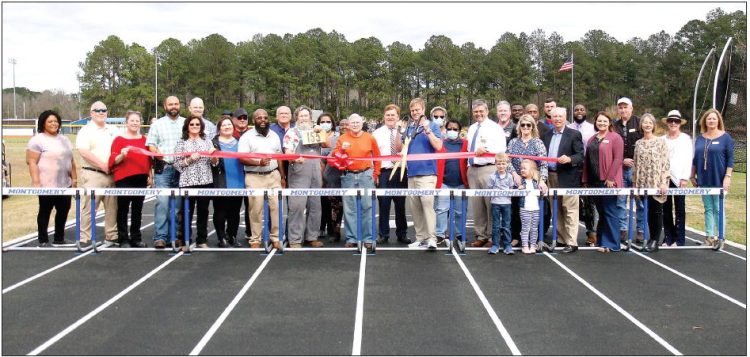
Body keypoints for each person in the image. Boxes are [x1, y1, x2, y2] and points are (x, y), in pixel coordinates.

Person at [26, 110, 77, 247]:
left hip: (64, 184)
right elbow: (31, 162)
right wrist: (36, 182)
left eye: (56, 121)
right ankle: (43, 240)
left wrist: (74, 179)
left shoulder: (65, 139)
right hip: (46, 184)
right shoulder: (37, 140)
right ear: (43, 123)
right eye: (50, 121)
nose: (54, 124)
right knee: (45, 211)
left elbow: (71, 160)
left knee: (63, 211)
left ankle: (59, 238)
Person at [238, 109, 285, 250]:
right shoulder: (246, 137)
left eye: (265, 117)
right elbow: (241, 158)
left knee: (277, 207)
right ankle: (255, 239)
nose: (263, 120)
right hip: (254, 177)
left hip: (273, 176)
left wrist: (282, 176)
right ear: (254, 121)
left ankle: (276, 238)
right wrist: (258, 162)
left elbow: (279, 158)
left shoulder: (275, 135)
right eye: (259, 118)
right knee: (255, 209)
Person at [334, 113, 381, 250]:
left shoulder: (370, 138)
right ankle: (352, 238)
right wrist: (342, 149)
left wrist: (375, 174)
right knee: (350, 208)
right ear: (348, 124)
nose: (355, 125)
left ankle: (368, 238)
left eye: (357, 122)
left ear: (362, 123)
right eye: (352, 122)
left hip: (365, 175)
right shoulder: (342, 138)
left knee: (367, 207)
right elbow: (335, 157)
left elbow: (377, 157)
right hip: (348, 175)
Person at [76, 101, 119, 248]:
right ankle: (85, 237)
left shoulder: (114, 129)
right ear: (91, 113)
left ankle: (112, 236)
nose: (101, 113)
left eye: (104, 110)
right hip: (93, 173)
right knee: (89, 207)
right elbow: (84, 152)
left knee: (112, 207)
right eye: (97, 110)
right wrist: (102, 165)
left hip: (112, 174)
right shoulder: (85, 130)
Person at [146, 95, 186, 249]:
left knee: (177, 206)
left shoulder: (185, 123)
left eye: (176, 103)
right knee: (162, 203)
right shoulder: (157, 125)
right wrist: (158, 154)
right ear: (165, 106)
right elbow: (151, 145)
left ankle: (174, 236)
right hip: (164, 169)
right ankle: (160, 237)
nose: (174, 106)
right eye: (171, 104)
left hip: (181, 169)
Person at [283, 105, 325, 248]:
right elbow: (288, 152)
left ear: (310, 118)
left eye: (306, 116)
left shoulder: (316, 131)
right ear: (297, 118)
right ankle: (294, 239)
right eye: (301, 116)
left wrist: (322, 131)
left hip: (315, 172)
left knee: (315, 206)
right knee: (297, 206)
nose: (304, 118)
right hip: (299, 172)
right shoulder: (291, 133)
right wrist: (295, 159)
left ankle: (312, 236)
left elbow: (326, 144)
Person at [403, 98, 443, 250]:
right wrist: (401, 131)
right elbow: (403, 147)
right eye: (412, 110)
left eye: (417, 110)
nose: (414, 112)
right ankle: (420, 238)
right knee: (415, 208)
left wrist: (428, 130)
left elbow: (438, 146)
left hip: (427, 172)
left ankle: (431, 238)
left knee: (427, 205)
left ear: (423, 110)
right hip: (411, 173)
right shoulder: (410, 127)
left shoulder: (432, 125)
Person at [543, 107, 583, 253]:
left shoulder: (574, 134)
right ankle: (561, 239)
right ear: (551, 118)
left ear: (565, 117)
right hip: (551, 176)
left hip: (567, 177)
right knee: (556, 210)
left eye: (560, 116)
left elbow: (580, 156)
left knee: (570, 210)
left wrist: (569, 159)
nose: (557, 119)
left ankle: (572, 242)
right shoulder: (547, 135)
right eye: (555, 117)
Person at [174, 115, 218, 249]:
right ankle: (184, 239)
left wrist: (214, 156)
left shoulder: (207, 142)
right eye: (192, 124)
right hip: (188, 182)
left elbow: (214, 164)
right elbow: (176, 164)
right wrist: (189, 159)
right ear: (187, 126)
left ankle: (201, 240)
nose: (194, 127)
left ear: (201, 127)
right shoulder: (181, 142)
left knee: (203, 212)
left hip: (205, 181)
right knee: (186, 211)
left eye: (197, 124)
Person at [109, 110, 151, 248]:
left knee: (137, 210)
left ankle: (136, 238)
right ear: (126, 122)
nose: (134, 123)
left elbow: (148, 160)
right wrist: (122, 155)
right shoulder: (119, 140)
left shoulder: (145, 140)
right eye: (132, 120)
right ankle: (123, 239)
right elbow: (113, 160)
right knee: (123, 209)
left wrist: (150, 175)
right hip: (124, 178)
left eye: (137, 121)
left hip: (141, 177)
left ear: (140, 123)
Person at [691, 108, 734, 247]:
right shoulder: (700, 138)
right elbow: (695, 158)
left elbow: (730, 159)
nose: (711, 120)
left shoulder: (725, 137)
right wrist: (692, 175)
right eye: (709, 118)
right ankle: (709, 236)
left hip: (719, 178)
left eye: (714, 118)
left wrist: (727, 176)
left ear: (718, 121)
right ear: (705, 121)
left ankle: (720, 236)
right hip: (704, 179)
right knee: (708, 208)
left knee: (718, 208)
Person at [582, 112, 624, 253]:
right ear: (595, 123)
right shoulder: (591, 139)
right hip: (594, 181)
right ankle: (602, 241)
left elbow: (618, 159)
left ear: (609, 123)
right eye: (599, 121)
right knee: (601, 212)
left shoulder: (615, 138)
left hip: (608, 182)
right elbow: (587, 161)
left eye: (605, 121)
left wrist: (611, 178)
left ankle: (612, 244)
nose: (602, 123)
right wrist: (585, 179)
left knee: (610, 211)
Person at [467, 99, 506, 248]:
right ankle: (481, 235)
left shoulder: (495, 128)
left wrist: (486, 149)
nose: (478, 114)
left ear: (487, 111)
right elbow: (469, 150)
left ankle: (492, 236)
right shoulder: (471, 128)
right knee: (477, 207)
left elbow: (502, 148)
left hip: (489, 169)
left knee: (491, 205)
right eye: (476, 112)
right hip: (473, 170)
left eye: (481, 111)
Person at [507, 114, 548, 246]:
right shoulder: (513, 142)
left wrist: (541, 181)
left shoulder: (538, 143)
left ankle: (533, 238)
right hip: (517, 182)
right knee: (515, 209)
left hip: (533, 183)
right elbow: (507, 161)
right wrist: (514, 175)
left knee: (533, 211)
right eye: (523, 125)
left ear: (532, 127)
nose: (525, 127)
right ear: (519, 127)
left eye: (528, 125)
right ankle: (515, 236)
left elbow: (543, 164)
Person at [372, 104, 409, 244]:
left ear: (398, 117)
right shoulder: (376, 133)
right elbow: (373, 156)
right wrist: (375, 174)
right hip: (384, 173)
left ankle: (402, 233)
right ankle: (383, 234)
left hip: (401, 171)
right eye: (387, 115)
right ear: (384, 117)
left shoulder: (405, 132)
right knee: (384, 204)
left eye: (393, 115)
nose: (390, 117)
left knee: (400, 205)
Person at [633, 114, 670, 252]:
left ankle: (655, 240)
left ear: (654, 125)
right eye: (645, 123)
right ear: (641, 125)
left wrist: (664, 182)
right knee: (647, 211)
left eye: (650, 123)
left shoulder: (660, 142)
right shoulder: (638, 143)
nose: (647, 125)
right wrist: (635, 183)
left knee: (657, 211)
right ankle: (650, 238)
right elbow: (636, 164)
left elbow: (665, 163)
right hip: (643, 182)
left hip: (656, 182)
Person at [614, 97, 644, 243]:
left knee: (640, 201)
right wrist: (621, 160)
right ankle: (622, 230)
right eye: (620, 107)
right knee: (620, 201)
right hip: (620, 168)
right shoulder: (614, 125)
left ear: (631, 108)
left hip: (637, 169)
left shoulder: (639, 123)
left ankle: (641, 230)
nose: (623, 110)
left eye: (626, 107)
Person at [211, 118, 245, 248]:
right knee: (220, 211)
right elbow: (213, 164)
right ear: (219, 128)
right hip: (221, 181)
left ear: (233, 127)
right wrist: (214, 158)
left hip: (237, 180)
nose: (226, 127)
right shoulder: (213, 143)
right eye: (223, 125)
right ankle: (221, 238)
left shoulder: (240, 142)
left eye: (229, 124)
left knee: (235, 211)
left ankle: (232, 236)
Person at [568, 103, 598, 246]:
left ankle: (591, 232)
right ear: (573, 112)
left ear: (586, 112)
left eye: (582, 109)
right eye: (576, 110)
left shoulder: (592, 128)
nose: (579, 112)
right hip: (572, 168)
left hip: (588, 168)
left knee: (589, 202)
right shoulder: (568, 128)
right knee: (572, 201)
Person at [662, 110, 693, 246]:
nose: (673, 123)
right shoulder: (662, 140)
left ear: (680, 123)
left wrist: (685, 177)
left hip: (680, 179)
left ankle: (679, 239)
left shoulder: (686, 139)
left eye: (676, 121)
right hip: (665, 179)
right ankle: (668, 237)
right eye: (671, 121)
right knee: (666, 208)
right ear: (667, 123)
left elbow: (688, 159)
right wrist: (663, 178)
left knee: (680, 208)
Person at [435, 119, 468, 243]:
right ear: (446, 129)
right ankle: (440, 233)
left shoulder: (465, 144)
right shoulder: (441, 143)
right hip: (444, 182)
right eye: (449, 129)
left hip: (460, 182)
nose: (452, 131)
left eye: (455, 129)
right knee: (441, 209)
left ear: (460, 131)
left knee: (460, 211)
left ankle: (460, 233)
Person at [319, 113, 344, 242]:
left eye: (328, 121)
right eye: (322, 121)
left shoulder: (338, 138)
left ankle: (335, 230)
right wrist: (321, 177)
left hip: (336, 177)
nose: (325, 123)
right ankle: (321, 227)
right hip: (320, 176)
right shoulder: (314, 137)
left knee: (336, 205)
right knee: (321, 204)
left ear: (332, 123)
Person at [232, 108, 253, 241]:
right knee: (234, 205)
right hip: (234, 174)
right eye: (239, 118)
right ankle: (232, 234)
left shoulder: (252, 133)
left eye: (245, 117)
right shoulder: (228, 133)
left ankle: (250, 232)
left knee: (251, 204)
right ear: (234, 120)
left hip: (251, 172)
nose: (242, 120)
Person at [487, 153, 514, 255]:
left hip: (507, 203)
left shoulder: (510, 176)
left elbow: (511, 188)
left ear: (507, 164)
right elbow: (489, 189)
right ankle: (495, 245)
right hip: (495, 203)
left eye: (503, 163)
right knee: (496, 225)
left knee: (506, 225)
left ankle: (507, 245)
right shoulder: (492, 176)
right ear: (495, 164)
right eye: (499, 164)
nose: (501, 166)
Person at [518, 159, 541, 254]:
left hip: (535, 208)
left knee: (534, 228)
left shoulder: (536, 182)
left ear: (532, 170)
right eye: (521, 168)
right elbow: (516, 188)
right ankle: (524, 245)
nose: (522, 170)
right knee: (525, 228)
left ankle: (532, 245)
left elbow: (541, 192)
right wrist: (519, 187)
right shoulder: (521, 181)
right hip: (525, 208)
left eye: (525, 168)